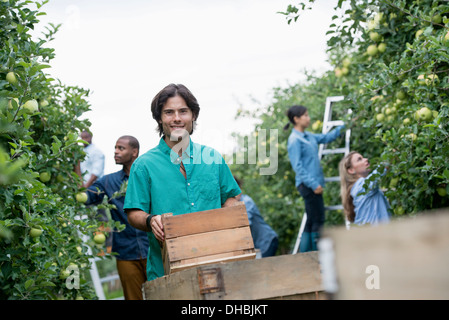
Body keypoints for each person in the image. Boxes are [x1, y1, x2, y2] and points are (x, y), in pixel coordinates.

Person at [124, 83, 241, 281]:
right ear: (159, 118)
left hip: (217, 265)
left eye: (183, 111)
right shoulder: (144, 165)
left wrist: (228, 214)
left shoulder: (212, 157)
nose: (177, 118)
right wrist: (151, 220)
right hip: (167, 272)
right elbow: (134, 212)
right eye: (169, 112)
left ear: (193, 115)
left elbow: (231, 198)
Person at [85, 135, 149, 300]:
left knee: (165, 293)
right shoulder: (108, 181)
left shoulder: (148, 176)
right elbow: (86, 197)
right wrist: (76, 166)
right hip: (125, 253)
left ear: (134, 152)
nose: (115, 152)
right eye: (115, 148)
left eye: (121, 148)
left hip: (154, 249)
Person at [285, 105, 345, 252]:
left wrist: (345, 125)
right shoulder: (295, 140)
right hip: (308, 185)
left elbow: (327, 137)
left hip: (312, 185)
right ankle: (317, 255)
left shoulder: (309, 136)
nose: (308, 118)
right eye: (305, 115)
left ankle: (307, 254)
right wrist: (313, 185)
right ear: (296, 119)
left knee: (312, 220)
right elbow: (297, 167)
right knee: (318, 220)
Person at [339, 151, 391, 226]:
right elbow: (378, 173)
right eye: (359, 159)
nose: (366, 159)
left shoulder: (360, 188)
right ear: (351, 170)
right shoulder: (359, 187)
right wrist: (391, 155)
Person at [234, 176, 278, 258]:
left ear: (239, 188)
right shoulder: (234, 205)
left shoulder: (246, 202)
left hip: (267, 241)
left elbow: (245, 224)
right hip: (258, 244)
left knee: (263, 268)